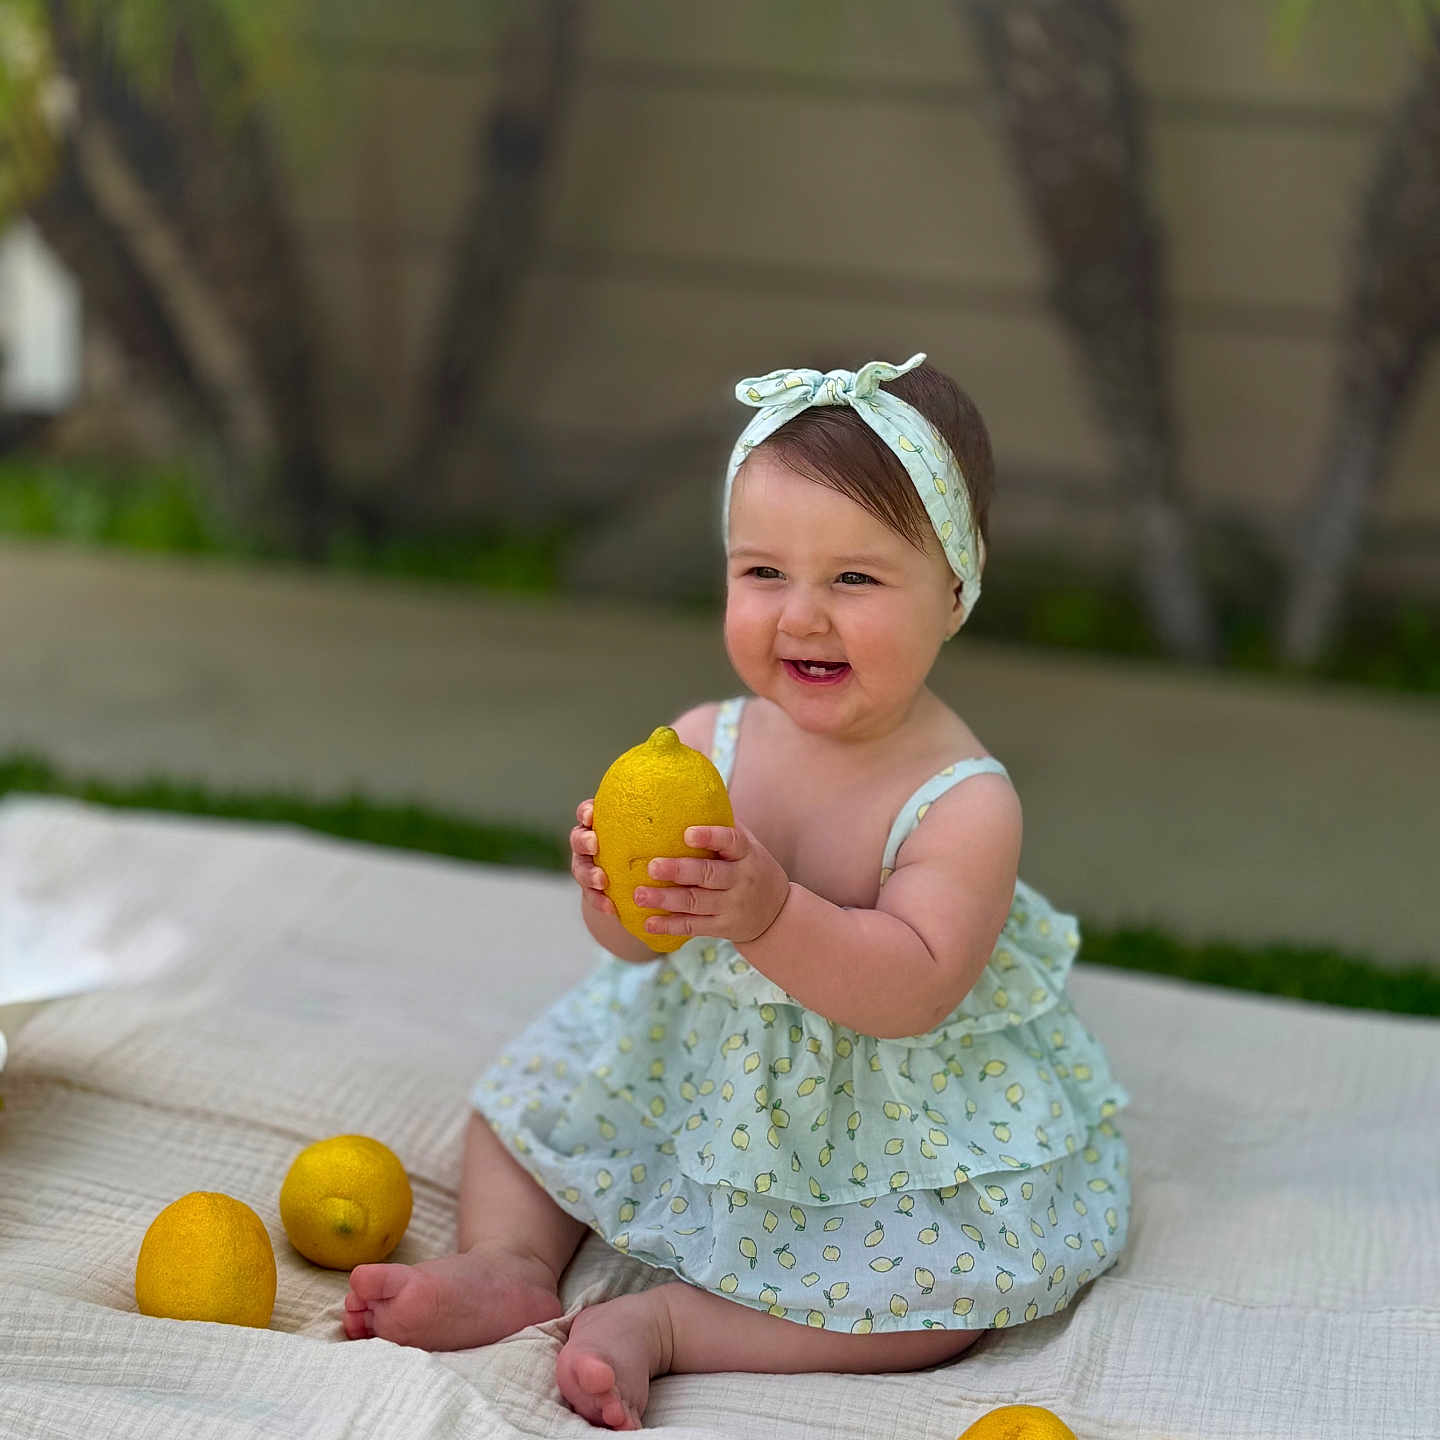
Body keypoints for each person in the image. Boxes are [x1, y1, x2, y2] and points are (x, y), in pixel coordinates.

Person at [342, 353, 1131, 1429]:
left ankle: (670, 1326)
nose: (801, 617)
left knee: (943, 1300)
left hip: (880, 1113)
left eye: (854, 579)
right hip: (694, 1057)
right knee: (525, 1117)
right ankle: (508, 1262)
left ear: (954, 589)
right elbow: (637, 948)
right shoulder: (710, 741)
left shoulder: (963, 802)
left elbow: (915, 989)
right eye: (763, 573)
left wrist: (769, 912)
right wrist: (614, 897)